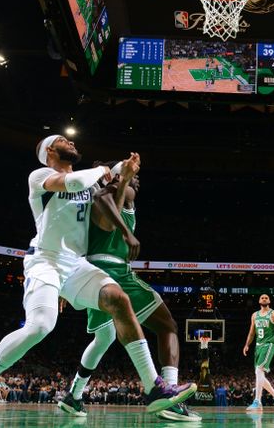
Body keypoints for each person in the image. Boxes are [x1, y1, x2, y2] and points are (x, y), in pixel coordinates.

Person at [0, 136, 195, 421]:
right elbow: (72, 183)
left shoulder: (90, 187)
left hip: (76, 265)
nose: (71, 142)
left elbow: (103, 219)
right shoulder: (41, 176)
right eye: (63, 140)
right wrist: (105, 170)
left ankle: (154, 388)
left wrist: (121, 178)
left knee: (117, 298)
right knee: (40, 326)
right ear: (49, 151)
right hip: (45, 260)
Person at [59, 157, 200, 422]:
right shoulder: (112, 191)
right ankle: (168, 395)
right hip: (113, 272)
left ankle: (73, 395)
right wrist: (122, 182)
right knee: (167, 325)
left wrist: (64, 281)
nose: (136, 180)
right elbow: (104, 199)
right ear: (115, 176)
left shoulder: (105, 197)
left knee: (103, 339)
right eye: (131, 175)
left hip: (88, 272)